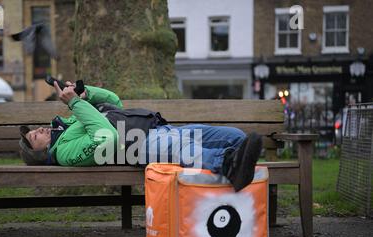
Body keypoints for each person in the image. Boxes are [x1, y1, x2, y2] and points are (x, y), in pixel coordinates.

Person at [19, 81, 262, 192]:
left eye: (36, 129)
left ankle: (239, 158)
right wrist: (74, 104)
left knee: (234, 136)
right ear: (40, 153)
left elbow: (114, 102)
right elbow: (107, 138)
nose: (39, 130)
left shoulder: (70, 122)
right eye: (34, 137)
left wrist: (87, 94)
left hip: (157, 128)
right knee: (181, 148)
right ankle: (228, 165)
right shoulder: (63, 152)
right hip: (136, 146)